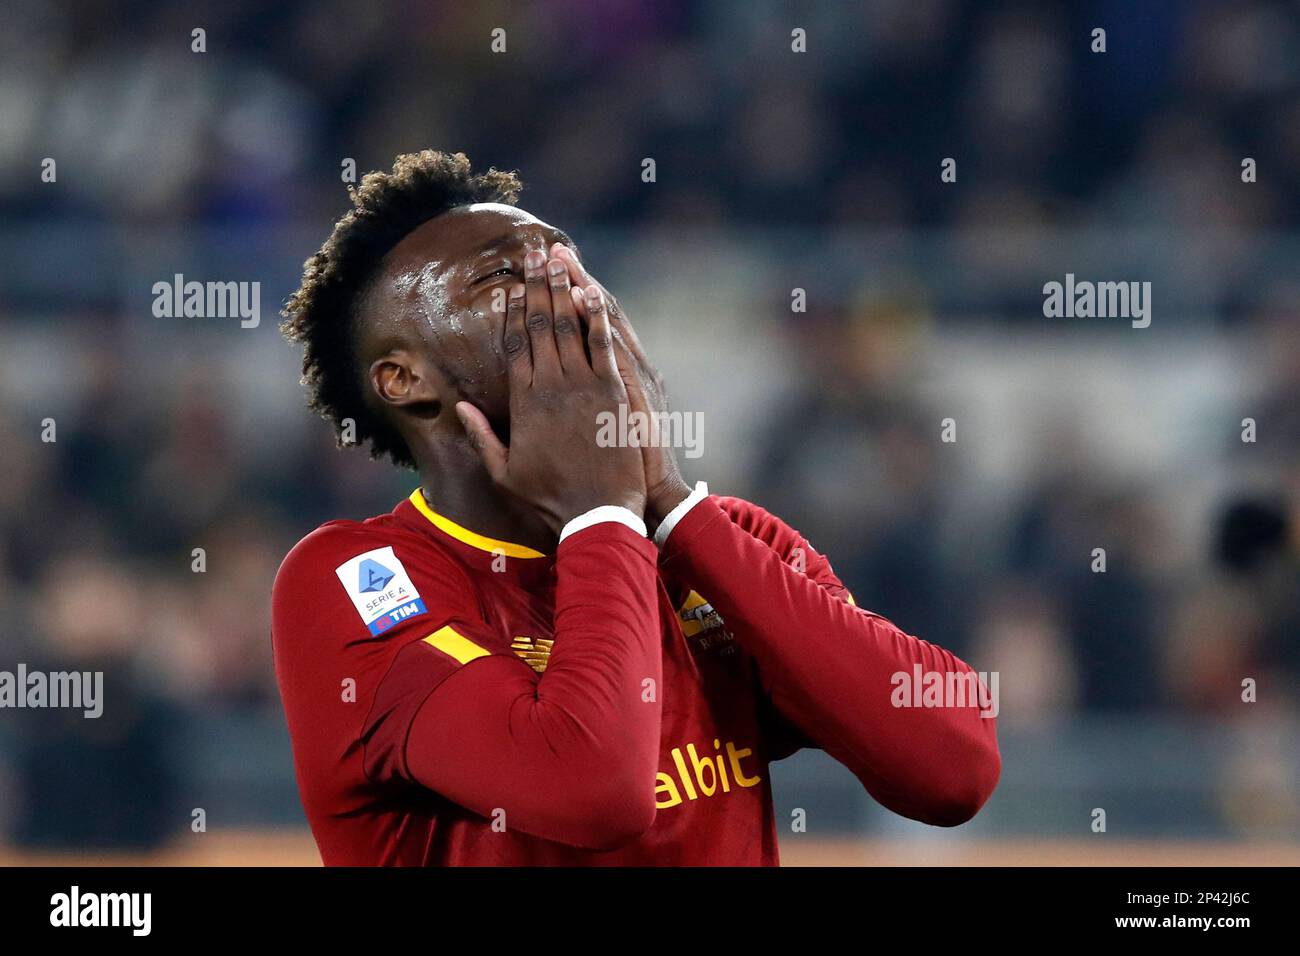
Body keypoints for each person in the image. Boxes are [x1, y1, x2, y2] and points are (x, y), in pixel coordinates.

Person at [271, 150, 1000, 865]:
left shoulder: (717, 541)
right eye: (501, 275)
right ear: (404, 379)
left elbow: (953, 768)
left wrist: (672, 508)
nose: (567, 291)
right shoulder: (352, 578)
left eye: (568, 262)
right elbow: (595, 793)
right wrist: (601, 514)